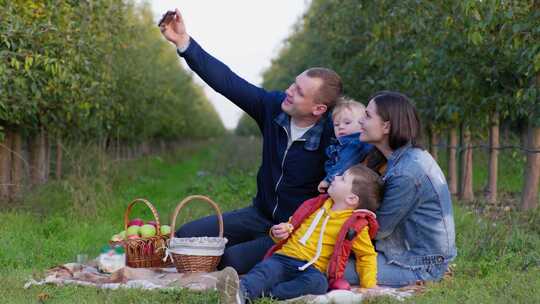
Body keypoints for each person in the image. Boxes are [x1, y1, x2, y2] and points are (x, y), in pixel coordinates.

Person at [159, 9, 364, 274]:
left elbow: (367, 157)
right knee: (186, 237)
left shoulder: (333, 137)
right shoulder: (273, 108)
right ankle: (255, 245)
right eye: (293, 84)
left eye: (299, 92)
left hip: (294, 228)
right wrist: (184, 43)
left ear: (318, 109)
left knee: (231, 261)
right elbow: (229, 82)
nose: (289, 92)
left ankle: (261, 253)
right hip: (259, 214)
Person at [216, 164, 383, 303]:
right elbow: (293, 225)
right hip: (284, 257)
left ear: (351, 199)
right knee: (265, 270)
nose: (336, 177)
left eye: (343, 178)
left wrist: (369, 285)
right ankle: (241, 291)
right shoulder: (315, 205)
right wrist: (280, 231)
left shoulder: (355, 226)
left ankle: (267, 294)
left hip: (313, 268)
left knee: (317, 285)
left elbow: (366, 256)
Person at [344, 91, 457, 287]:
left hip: (420, 264)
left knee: (328, 267)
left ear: (386, 126)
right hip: (405, 252)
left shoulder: (407, 173)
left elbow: (378, 229)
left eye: (368, 116)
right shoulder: (396, 160)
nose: (360, 121)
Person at [317, 97, 373, 193]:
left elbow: (345, 162)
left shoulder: (355, 143)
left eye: (347, 122)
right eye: (336, 125)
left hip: (352, 189)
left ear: (362, 124)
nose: (341, 127)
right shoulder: (338, 145)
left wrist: (328, 180)